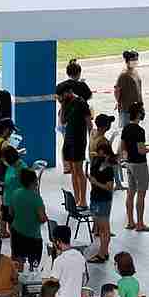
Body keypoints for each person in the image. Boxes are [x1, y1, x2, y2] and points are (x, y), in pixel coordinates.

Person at [56, 59, 93, 207]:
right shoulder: (66, 105)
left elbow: (88, 121)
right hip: (70, 137)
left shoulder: (81, 103)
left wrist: (92, 138)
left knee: (79, 169)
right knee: (73, 169)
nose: (60, 98)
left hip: (78, 137)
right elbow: (63, 121)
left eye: (62, 95)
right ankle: (77, 198)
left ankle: (82, 200)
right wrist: (64, 107)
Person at [121, 102, 149, 232]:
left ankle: (130, 221)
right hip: (140, 164)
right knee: (141, 194)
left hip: (129, 163)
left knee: (130, 193)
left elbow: (123, 147)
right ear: (138, 114)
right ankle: (140, 224)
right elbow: (141, 151)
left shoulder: (126, 128)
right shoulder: (139, 130)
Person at [9, 169, 47, 269]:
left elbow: (11, 213)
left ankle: (18, 279)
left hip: (16, 232)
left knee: (18, 260)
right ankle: (30, 275)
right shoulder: (36, 198)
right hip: (33, 236)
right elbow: (42, 219)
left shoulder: (15, 193)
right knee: (33, 264)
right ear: (34, 181)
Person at [87, 141, 115, 262]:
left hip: (103, 200)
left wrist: (95, 182)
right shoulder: (97, 161)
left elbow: (109, 187)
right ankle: (104, 251)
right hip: (95, 197)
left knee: (104, 229)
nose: (101, 156)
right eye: (99, 154)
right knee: (100, 227)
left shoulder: (108, 169)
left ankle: (102, 254)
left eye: (103, 154)